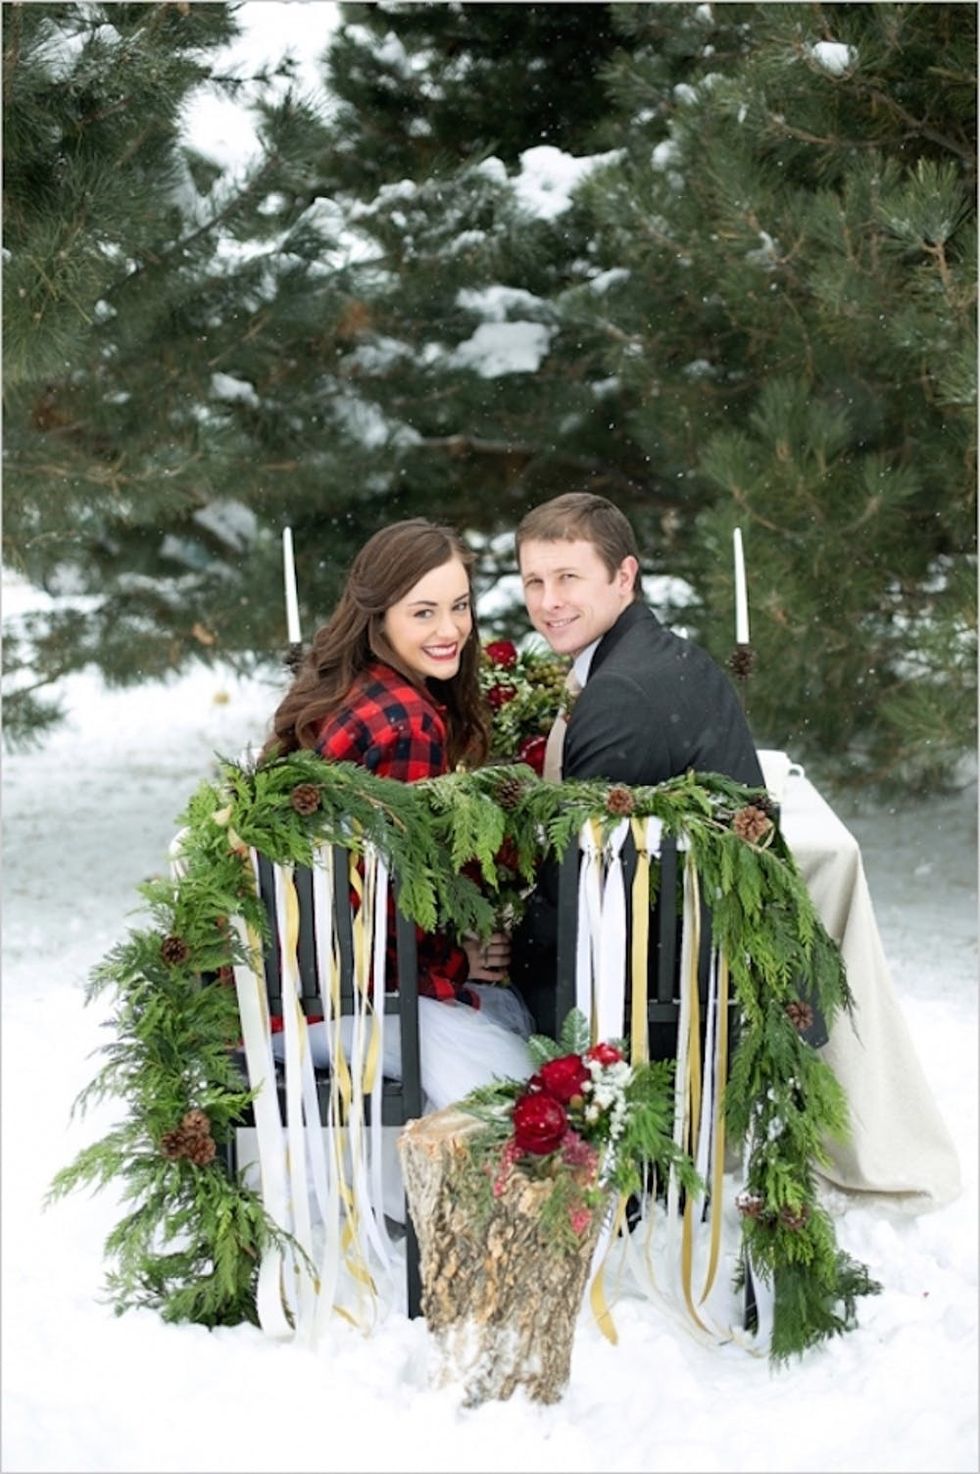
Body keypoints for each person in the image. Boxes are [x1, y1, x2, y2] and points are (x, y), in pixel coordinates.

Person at [263, 518, 534, 1110]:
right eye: (423, 613)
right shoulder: (406, 722)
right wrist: (461, 961)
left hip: (292, 989)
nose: (450, 629)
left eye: (459, 606)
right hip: (348, 1002)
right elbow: (391, 899)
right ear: (379, 616)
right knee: (523, 1098)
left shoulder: (357, 688)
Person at [509, 491, 767, 1051]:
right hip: (685, 972)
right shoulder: (661, 654)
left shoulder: (621, 693)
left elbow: (578, 878)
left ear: (624, 576)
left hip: (648, 1006)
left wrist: (505, 945)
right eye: (534, 582)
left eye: (568, 578)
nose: (549, 601)